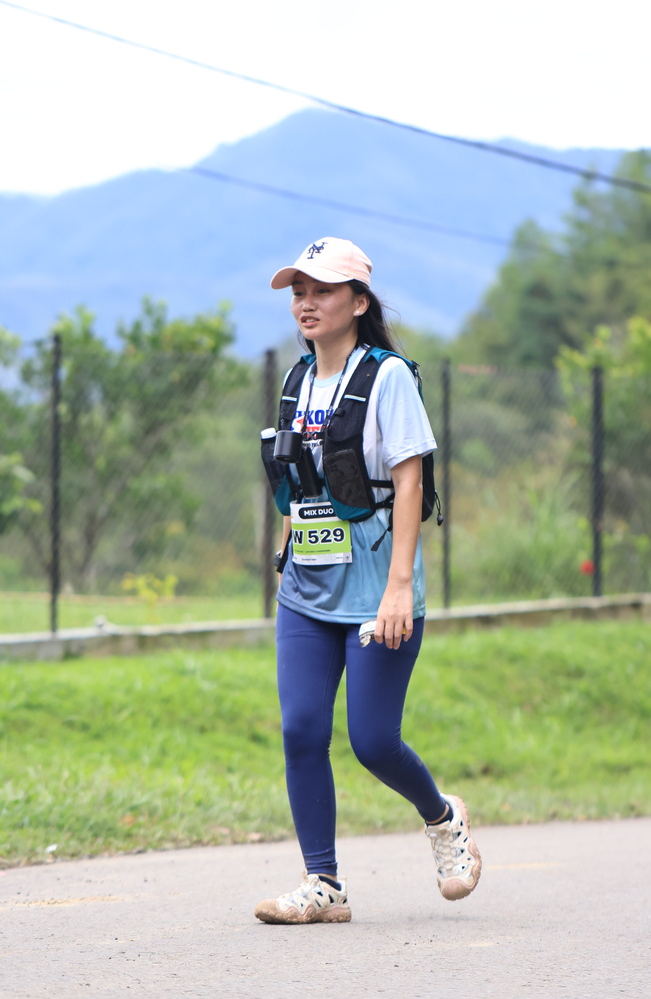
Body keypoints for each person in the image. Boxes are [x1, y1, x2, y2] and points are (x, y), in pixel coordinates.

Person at [255, 237, 481, 924]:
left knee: (373, 741)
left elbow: (409, 483)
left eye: (322, 290)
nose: (306, 302)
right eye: (299, 291)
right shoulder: (297, 382)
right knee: (300, 728)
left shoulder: (387, 379)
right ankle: (323, 883)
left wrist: (399, 588)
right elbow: (298, 484)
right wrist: (287, 546)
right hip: (307, 590)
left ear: (358, 303)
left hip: (377, 590)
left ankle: (443, 818)